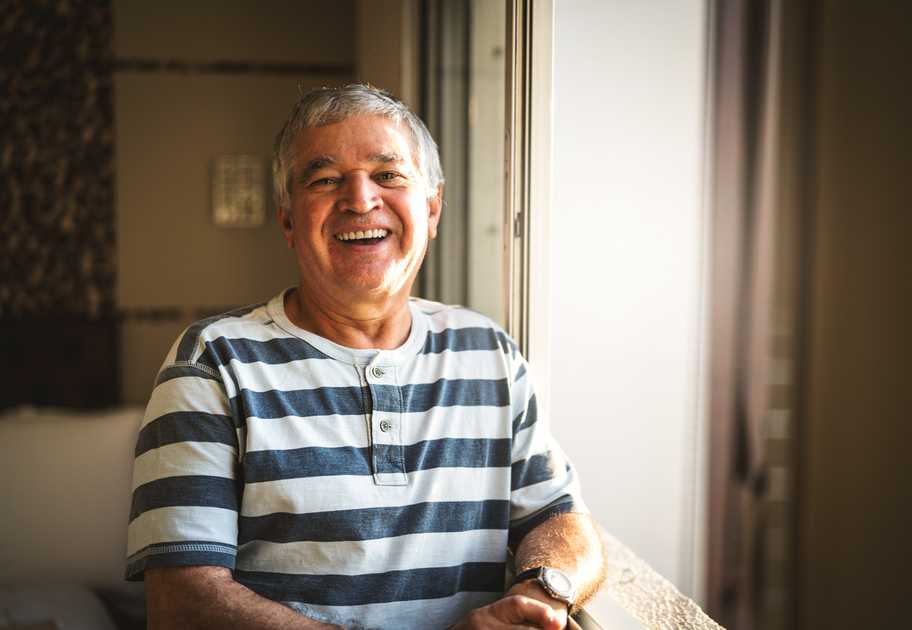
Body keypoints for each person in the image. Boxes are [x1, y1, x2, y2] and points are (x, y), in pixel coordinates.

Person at [126, 84, 606, 630]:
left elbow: (563, 520)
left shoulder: (489, 352)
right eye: (325, 179)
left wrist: (540, 592)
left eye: (388, 174)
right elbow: (183, 604)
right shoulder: (212, 362)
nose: (360, 199)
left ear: (430, 210)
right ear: (287, 220)